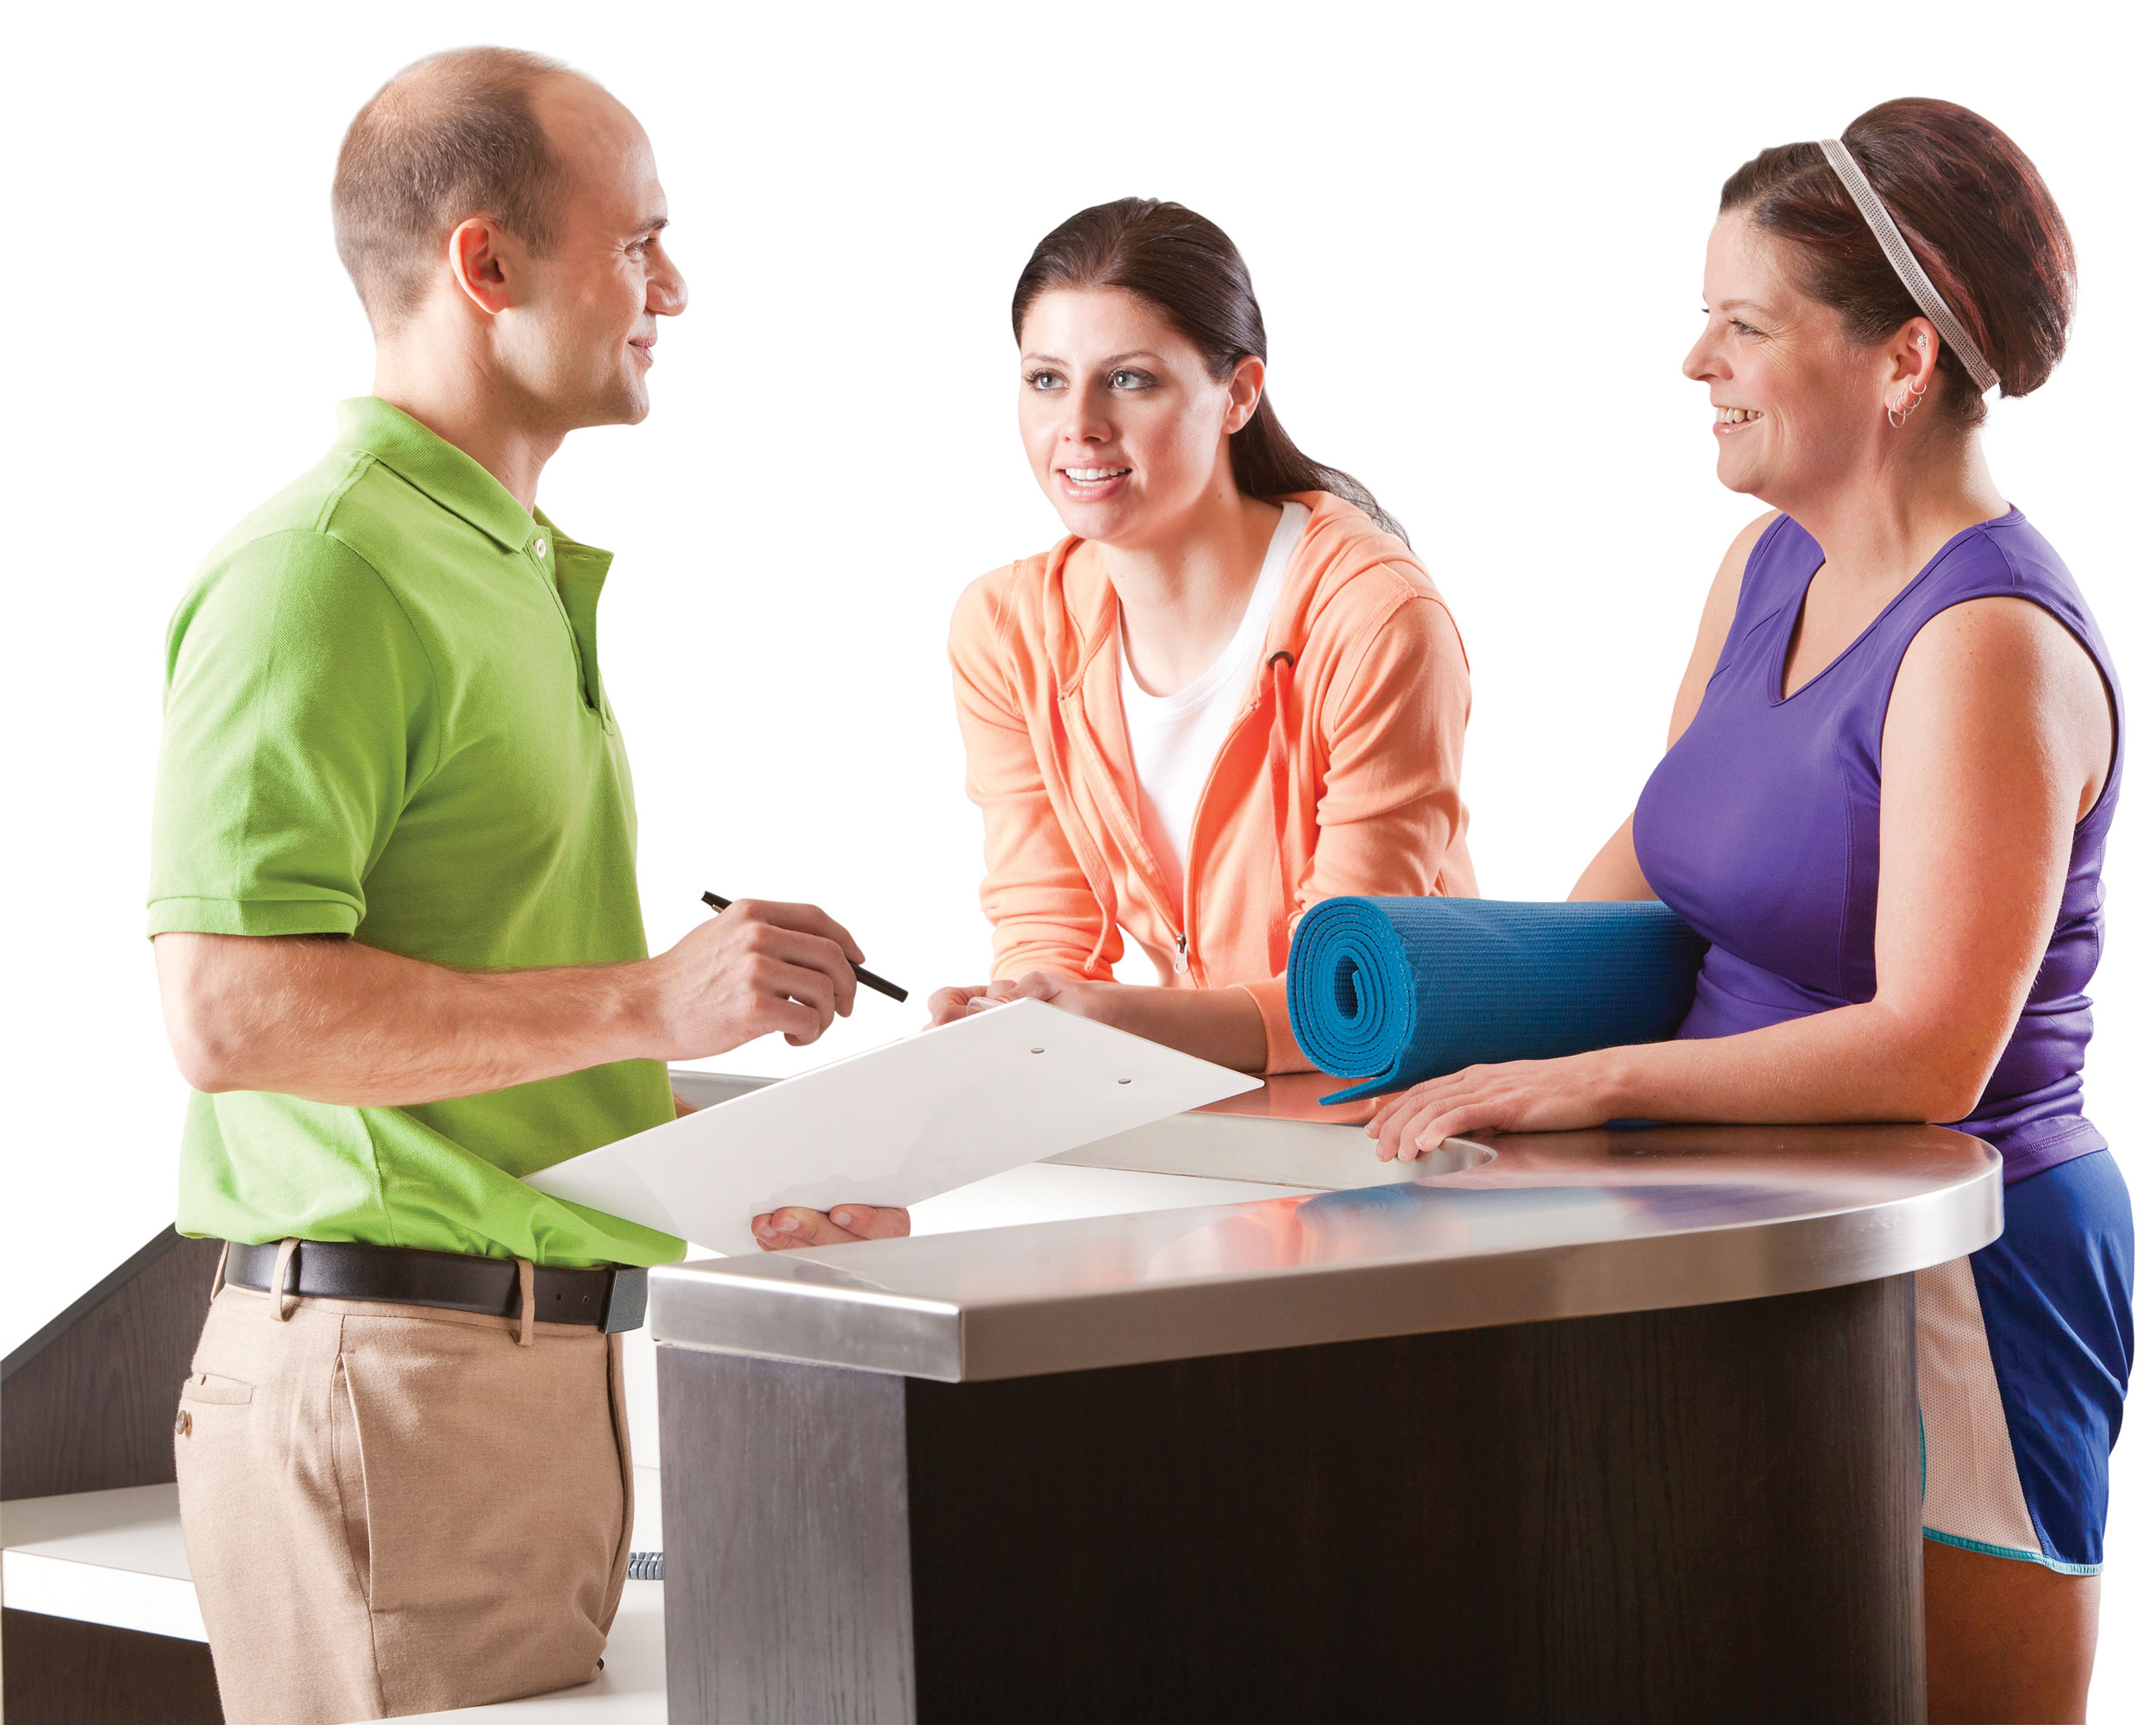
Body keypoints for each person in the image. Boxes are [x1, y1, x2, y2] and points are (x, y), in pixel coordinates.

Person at [149, 48, 903, 1722]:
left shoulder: (485, 558)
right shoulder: (324, 568)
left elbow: (466, 1042)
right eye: (639, 242)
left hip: (524, 1378)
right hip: (396, 1387)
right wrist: (650, 996)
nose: (674, 289)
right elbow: (232, 1009)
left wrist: (741, 1184)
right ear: (486, 266)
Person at [1366, 100, 2129, 1723]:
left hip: (1955, 1268)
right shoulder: (1766, 568)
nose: (1693, 360)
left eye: (1742, 322)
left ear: (1901, 361)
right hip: (1743, 1226)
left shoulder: (1985, 646)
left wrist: (1592, 1088)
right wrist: (1346, 1026)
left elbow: (1930, 1048)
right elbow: (1638, 893)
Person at [923, 198, 1476, 1074]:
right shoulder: (1005, 628)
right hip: (1203, 1101)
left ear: (1238, 395)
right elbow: (1047, 923)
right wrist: (1021, 1013)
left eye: (1130, 378)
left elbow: (1350, 990)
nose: (1078, 426)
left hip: (1395, 1102)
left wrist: (1112, 1021)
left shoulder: (1371, 615)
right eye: (1045, 379)